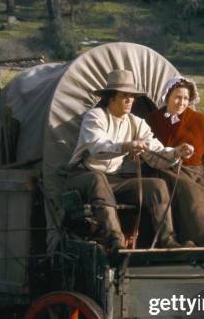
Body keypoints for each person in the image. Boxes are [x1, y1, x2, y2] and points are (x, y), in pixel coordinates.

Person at [65, 69, 194, 251]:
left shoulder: (137, 122)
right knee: (98, 179)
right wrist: (127, 146)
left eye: (132, 97)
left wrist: (176, 152)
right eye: (124, 96)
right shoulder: (95, 117)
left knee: (156, 186)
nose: (129, 100)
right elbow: (97, 147)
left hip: (113, 180)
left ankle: (167, 241)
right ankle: (115, 240)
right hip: (83, 177)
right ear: (111, 98)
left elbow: (155, 152)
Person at [146, 77, 204, 246]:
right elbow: (151, 152)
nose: (181, 102)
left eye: (185, 98)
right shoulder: (153, 120)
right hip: (169, 170)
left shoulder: (199, 120)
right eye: (177, 97)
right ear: (167, 96)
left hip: (198, 170)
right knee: (189, 190)